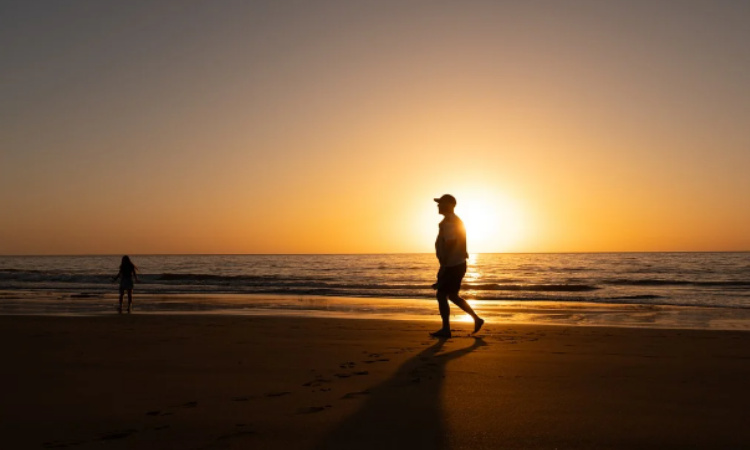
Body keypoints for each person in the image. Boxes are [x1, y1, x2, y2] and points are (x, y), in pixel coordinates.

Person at [430, 194, 484, 338]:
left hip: (452, 265)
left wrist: (444, 270)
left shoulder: (450, 222)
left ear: (448, 205)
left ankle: (446, 329)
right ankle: (477, 319)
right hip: (456, 264)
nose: (438, 206)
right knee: (452, 296)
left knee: (441, 294)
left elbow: (450, 243)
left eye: (440, 203)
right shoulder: (451, 221)